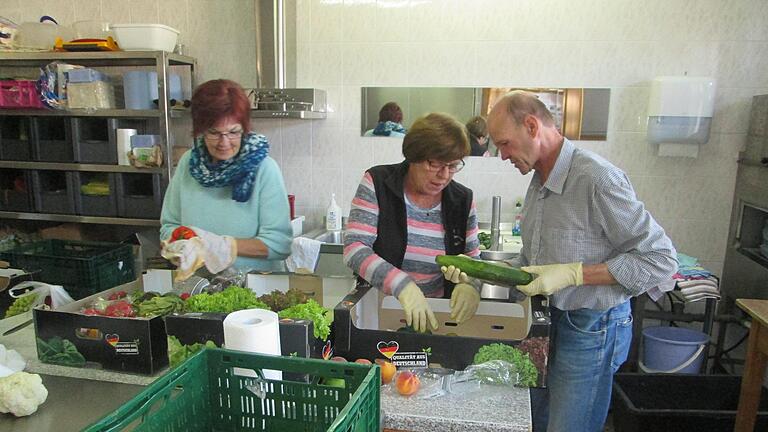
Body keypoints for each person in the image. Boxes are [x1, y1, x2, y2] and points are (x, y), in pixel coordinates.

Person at [445, 91, 677, 432]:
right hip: (548, 324)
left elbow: (660, 260)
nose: (502, 155)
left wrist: (575, 274)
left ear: (532, 125)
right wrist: (473, 278)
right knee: (536, 422)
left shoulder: (596, 178)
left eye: (505, 144)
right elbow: (531, 268)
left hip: (591, 328)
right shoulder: (539, 181)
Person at [345, 112, 481, 333]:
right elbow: (355, 249)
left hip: (435, 316)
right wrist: (404, 287)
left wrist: (470, 285)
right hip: (378, 314)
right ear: (413, 156)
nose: (444, 175)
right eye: (434, 164)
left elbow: (474, 261)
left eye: (453, 165)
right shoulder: (378, 183)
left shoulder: (462, 200)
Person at [160, 79, 292, 278]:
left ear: (244, 128)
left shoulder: (264, 169)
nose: (224, 142)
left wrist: (223, 247)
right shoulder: (188, 164)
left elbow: (279, 244)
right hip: (199, 286)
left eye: (233, 132)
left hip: (256, 290)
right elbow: (169, 227)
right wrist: (180, 247)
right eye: (213, 132)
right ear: (200, 130)